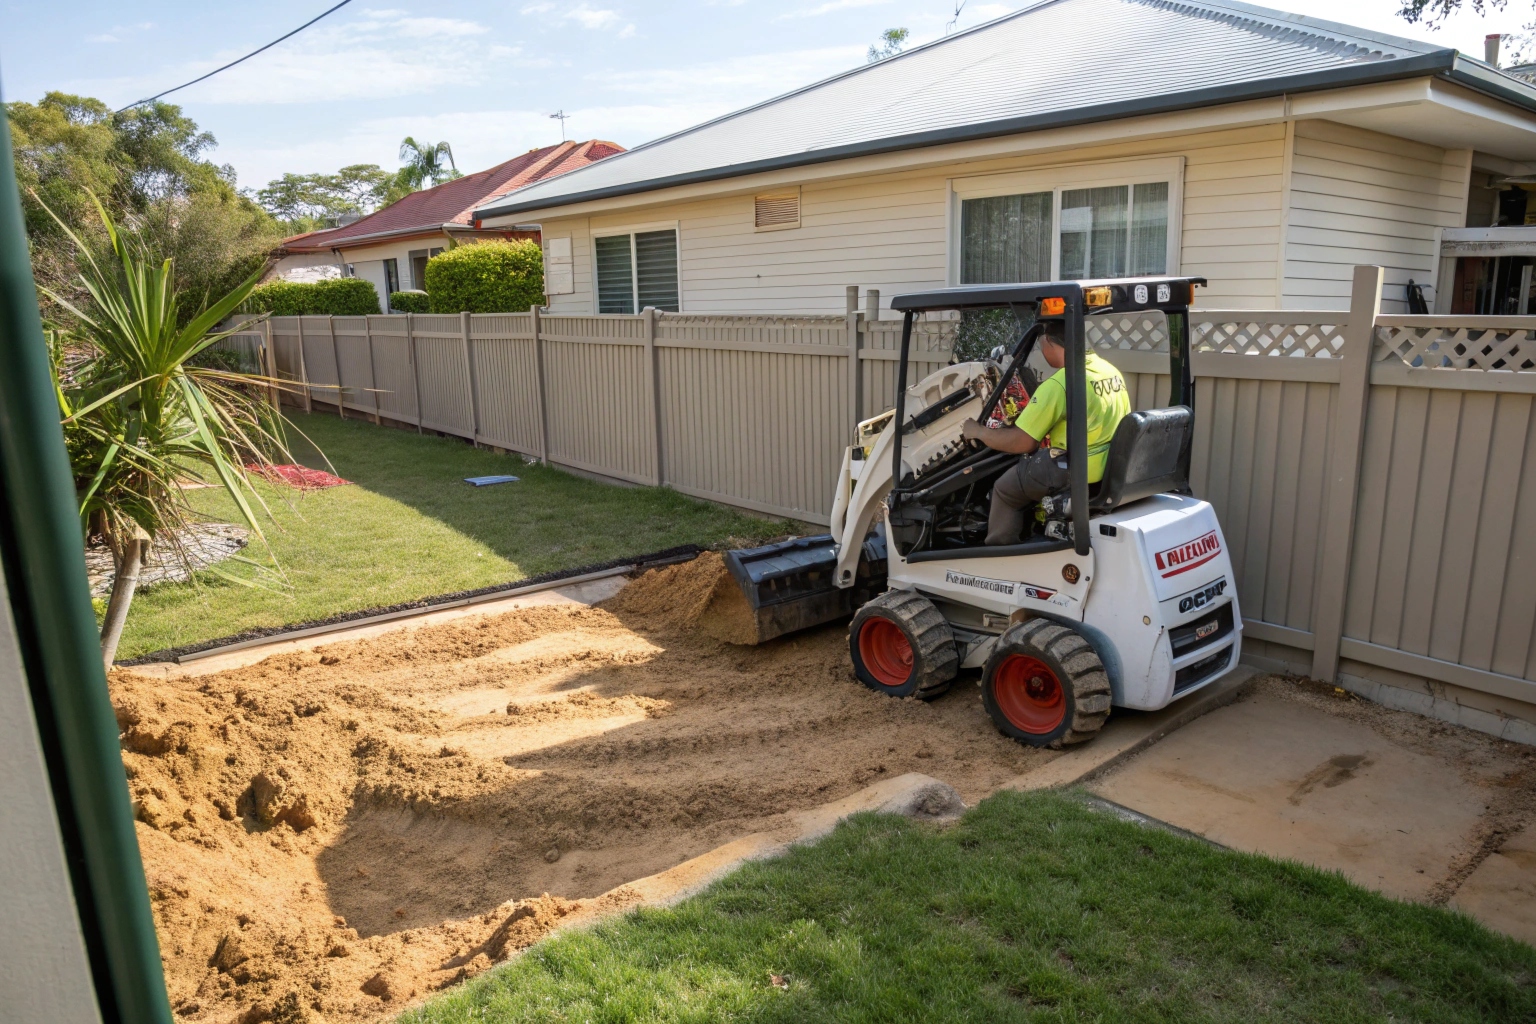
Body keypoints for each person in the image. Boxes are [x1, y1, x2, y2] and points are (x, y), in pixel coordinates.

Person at [960, 320, 1131, 545]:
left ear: (1049, 341)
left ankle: (1000, 556)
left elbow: (1023, 442)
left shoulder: (1060, 383)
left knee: (1004, 490)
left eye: (1041, 344)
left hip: (1073, 471)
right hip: (1108, 467)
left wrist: (979, 432)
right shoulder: (1110, 371)